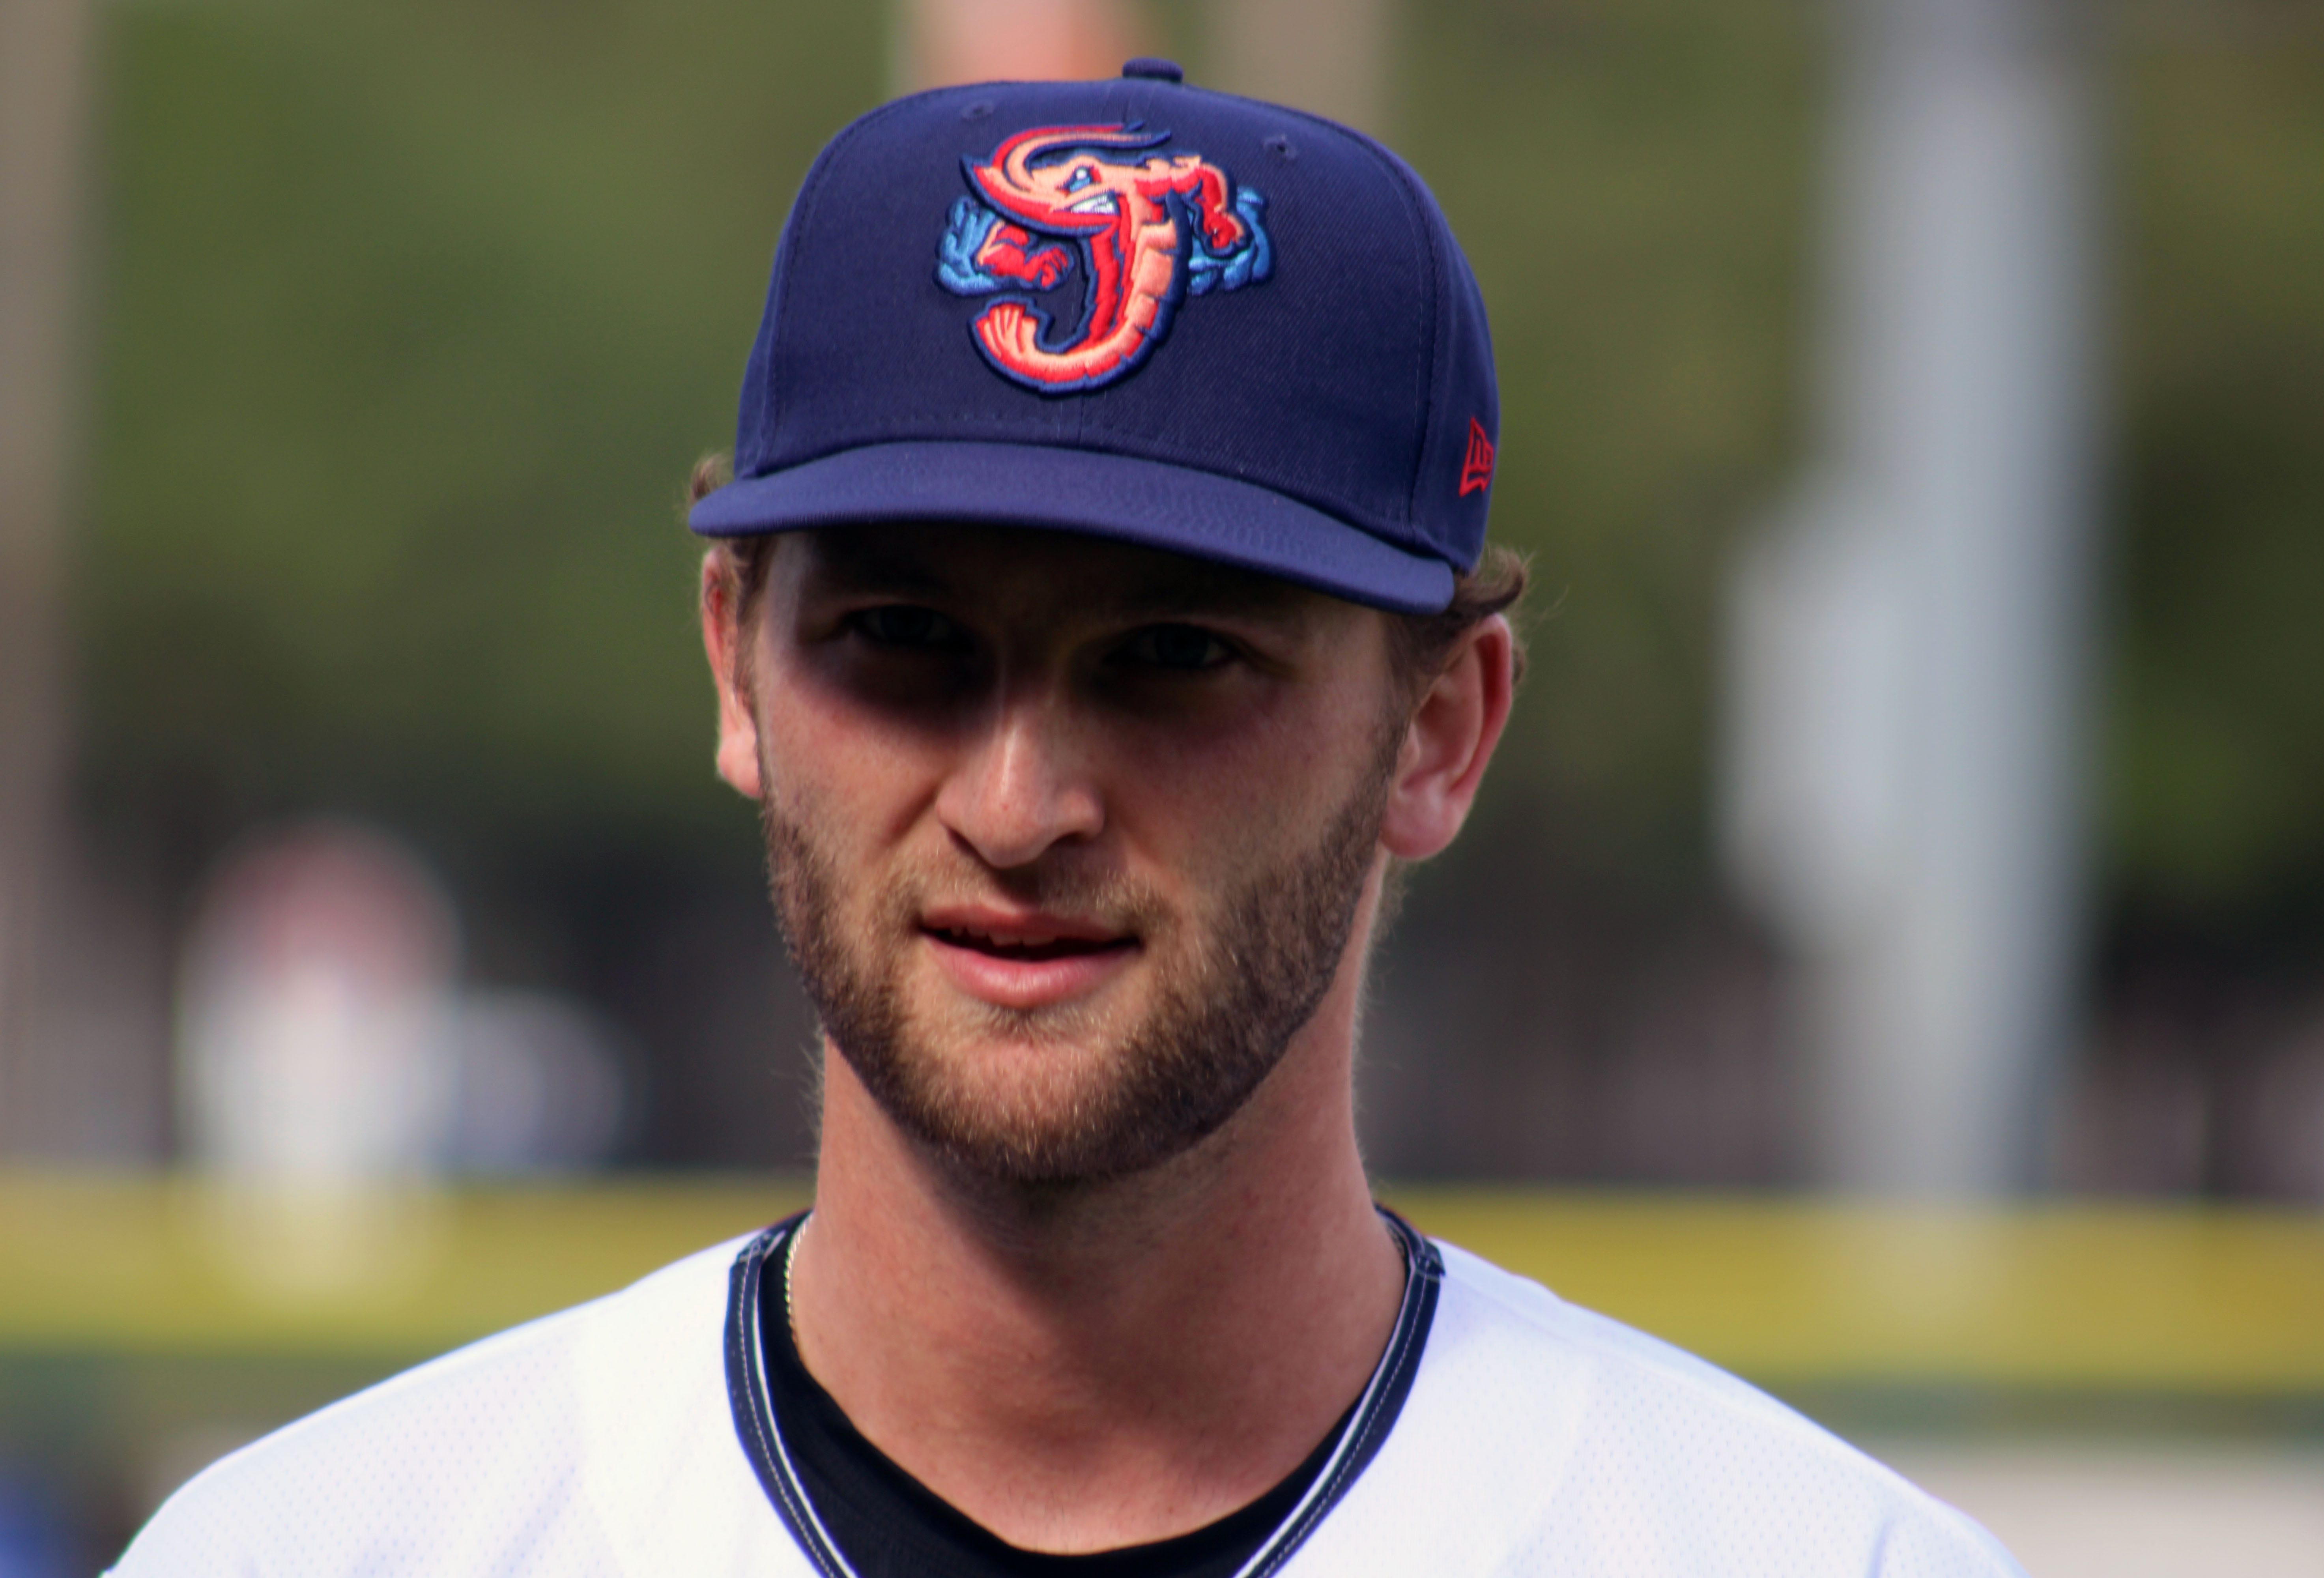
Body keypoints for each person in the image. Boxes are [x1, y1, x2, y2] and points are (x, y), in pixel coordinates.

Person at [114, 61, 2024, 1577]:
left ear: (1441, 728)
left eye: (1176, 655)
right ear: (735, 662)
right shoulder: (327, 1551)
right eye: (904, 638)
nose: (1019, 804)